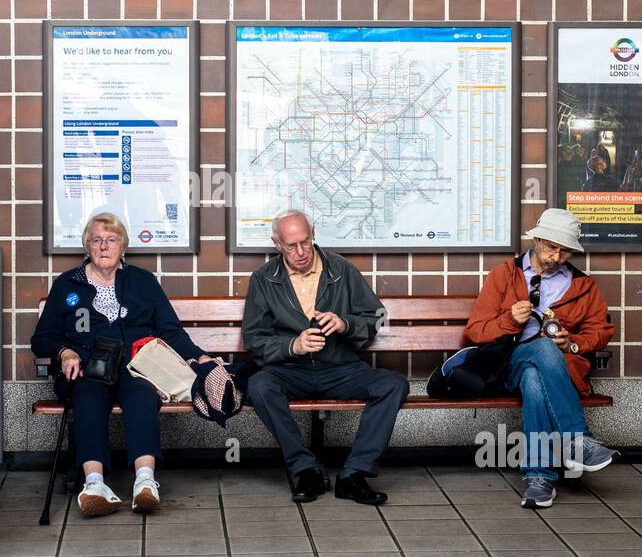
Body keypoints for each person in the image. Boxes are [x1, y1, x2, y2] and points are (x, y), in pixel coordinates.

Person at [31, 212, 220, 517]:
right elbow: (42, 338)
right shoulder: (68, 284)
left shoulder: (142, 281)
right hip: (88, 368)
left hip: (136, 366)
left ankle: (144, 482)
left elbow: (170, 330)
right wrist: (65, 351)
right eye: (96, 240)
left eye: (111, 240)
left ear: (123, 246)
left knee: (143, 396)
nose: (104, 246)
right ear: (86, 246)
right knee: (88, 398)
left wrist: (198, 356)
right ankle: (94, 485)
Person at [241, 210, 409, 506]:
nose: (302, 252)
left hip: (340, 367)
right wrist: (293, 345)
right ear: (276, 243)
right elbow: (255, 338)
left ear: (314, 232)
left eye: (306, 242)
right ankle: (305, 469)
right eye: (291, 246)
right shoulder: (264, 278)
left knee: (393, 384)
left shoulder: (341, 269)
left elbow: (376, 316)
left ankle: (354, 474)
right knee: (258, 387)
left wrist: (345, 324)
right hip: (290, 369)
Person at [465, 208, 619, 509]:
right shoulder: (504, 276)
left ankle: (539, 479)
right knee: (542, 350)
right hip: (510, 364)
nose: (556, 257)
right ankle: (578, 440)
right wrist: (509, 319)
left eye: (565, 252)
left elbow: (600, 331)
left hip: (557, 370)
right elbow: (476, 332)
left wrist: (572, 342)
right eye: (551, 247)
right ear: (536, 239)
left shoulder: (583, 286)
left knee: (536, 379)